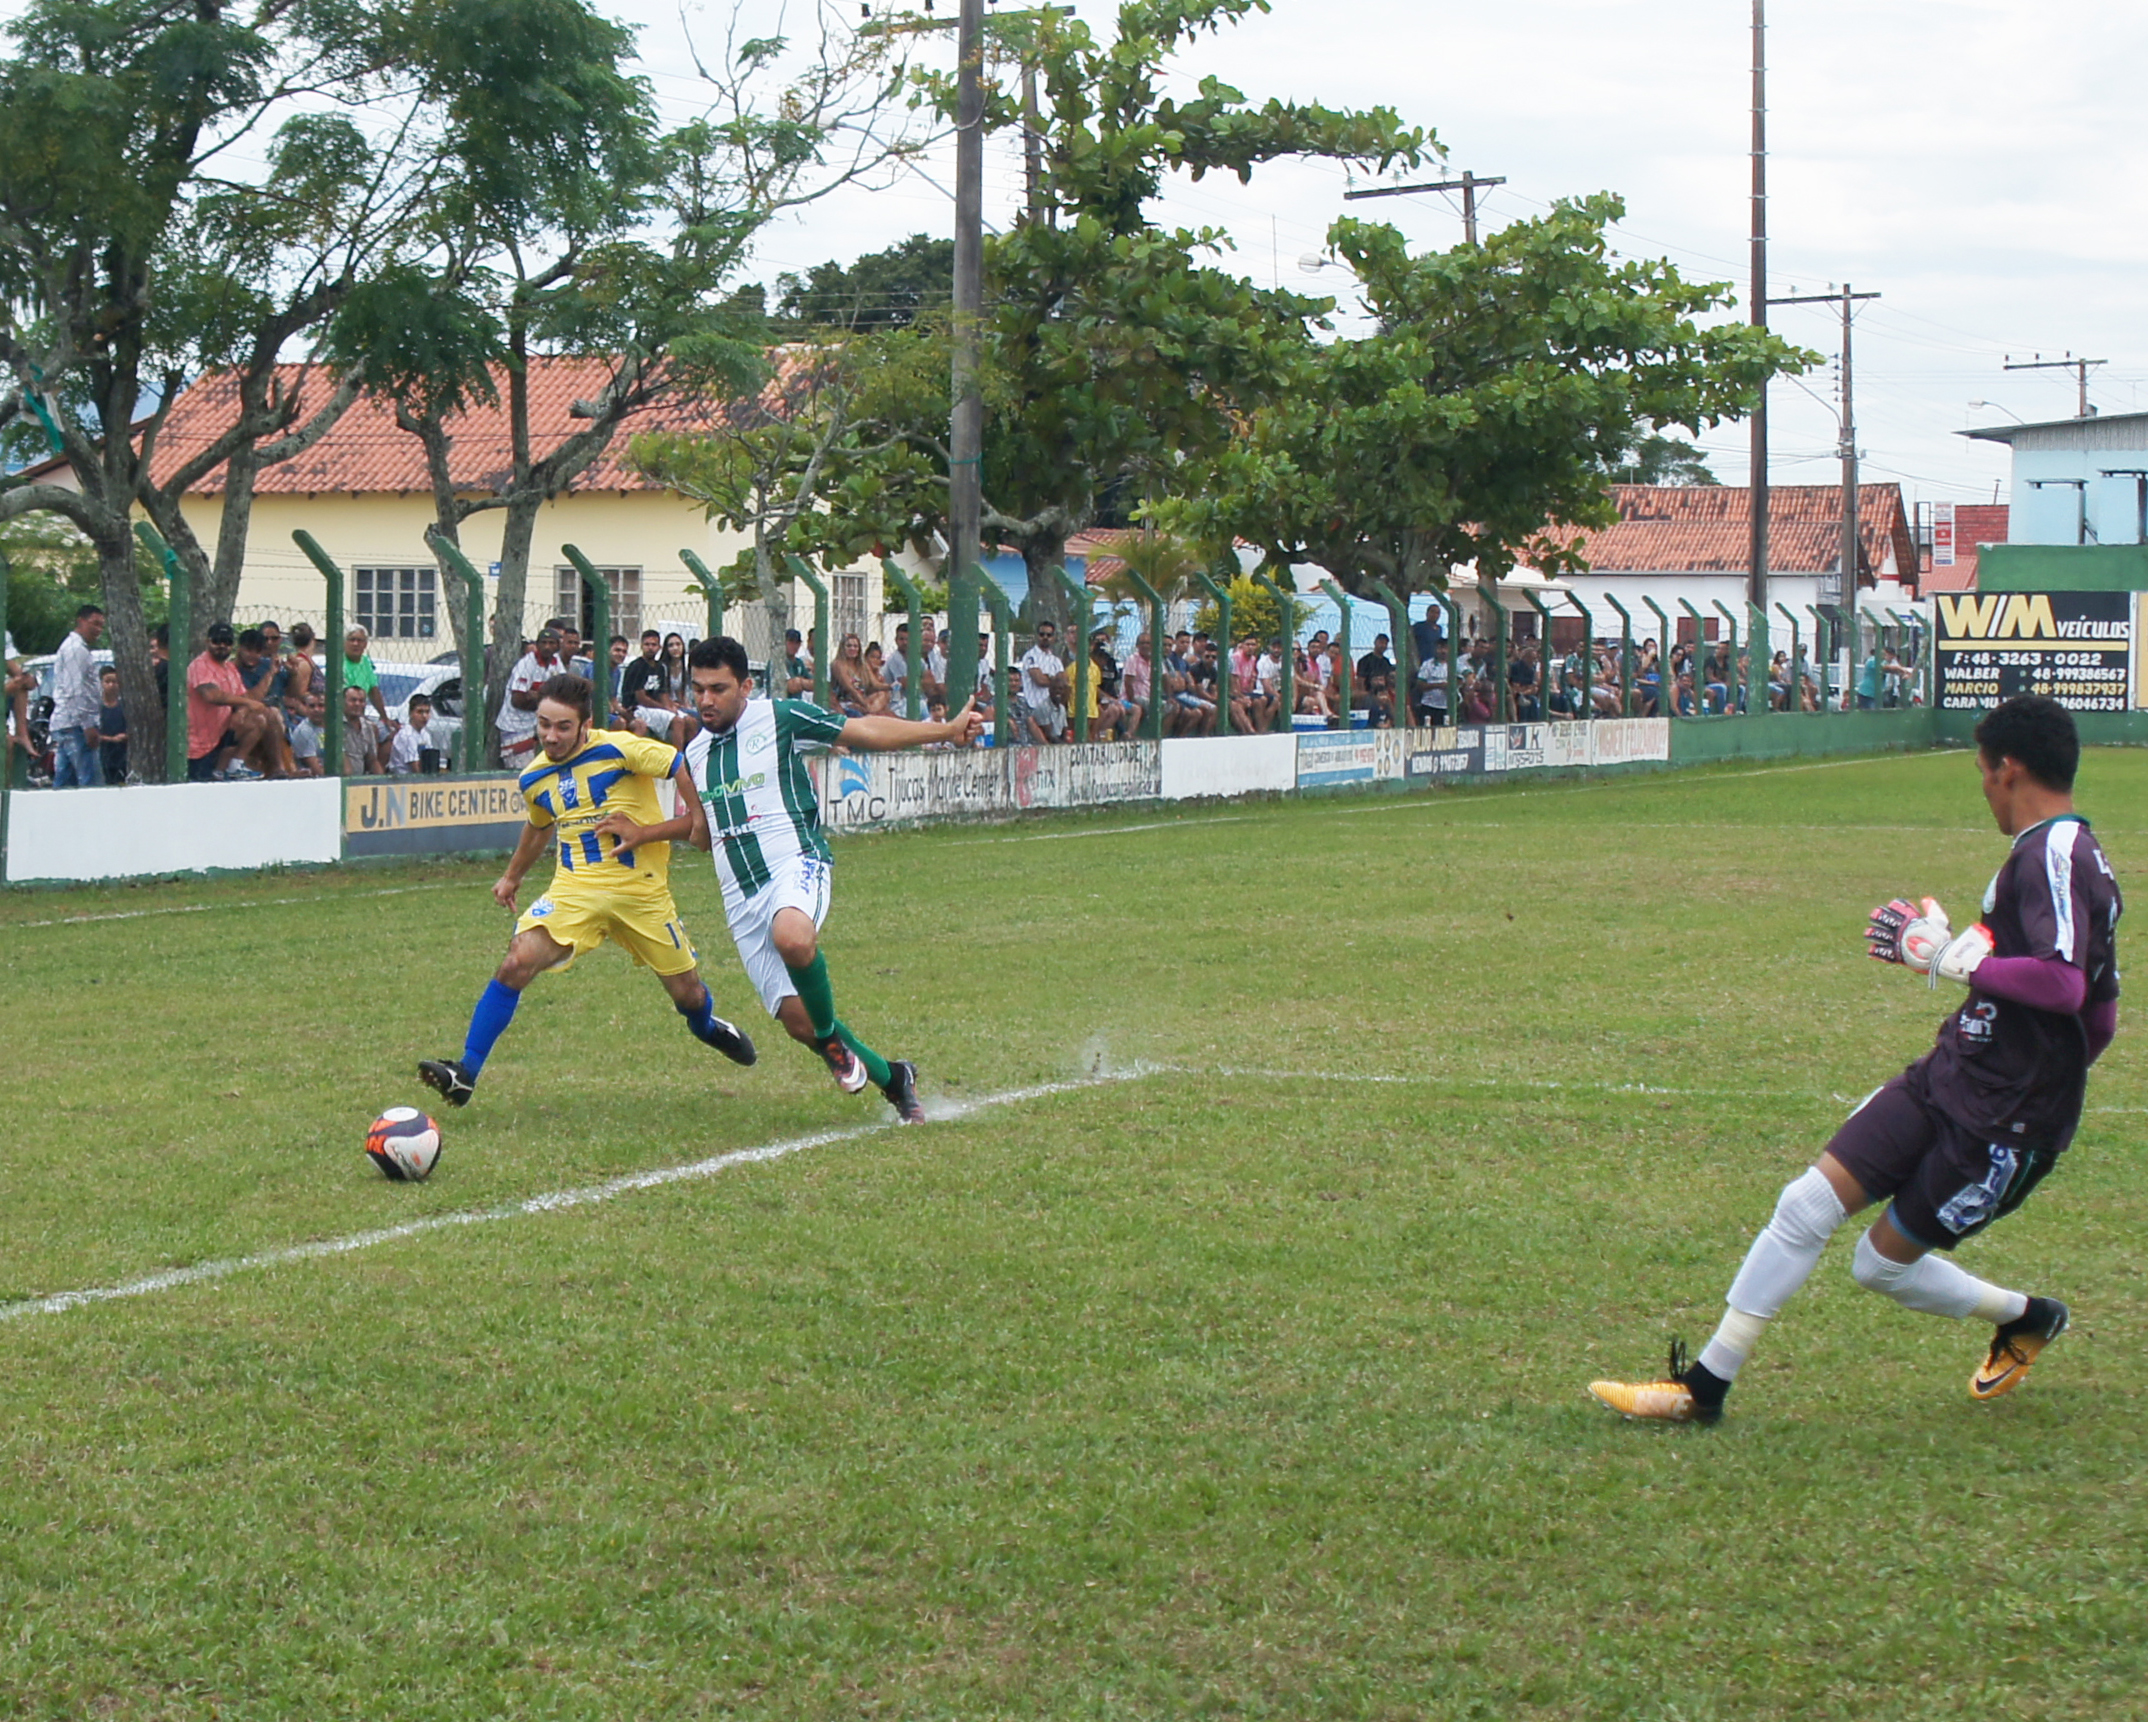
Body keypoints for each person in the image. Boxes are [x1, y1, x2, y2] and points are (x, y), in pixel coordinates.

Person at [1590, 696, 2120, 1424]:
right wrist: (1966, 966)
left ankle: (2029, 1316)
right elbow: (2102, 1012)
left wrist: (1957, 971)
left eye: (1983, 772)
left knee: (1878, 1266)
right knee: (1804, 1203)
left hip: (2004, 1120)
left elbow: (2063, 986)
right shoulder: (2057, 854)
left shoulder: (2055, 855)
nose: (1983, 788)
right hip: (1953, 1073)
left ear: (2010, 768)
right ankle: (1703, 1388)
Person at [682, 636, 985, 1122]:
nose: (705, 701)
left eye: (717, 688)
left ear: (746, 686)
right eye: (697, 689)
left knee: (794, 939)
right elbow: (700, 833)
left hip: (795, 863)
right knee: (800, 1024)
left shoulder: (779, 718)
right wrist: (642, 831)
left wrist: (942, 731)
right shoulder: (694, 753)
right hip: (741, 896)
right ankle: (894, 1078)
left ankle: (832, 1046)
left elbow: (864, 728)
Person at [418, 671, 755, 1109]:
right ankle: (465, 1073)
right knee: (516, 962)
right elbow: (539, 826)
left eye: (562, 727)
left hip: (642, 893)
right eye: (543, 724)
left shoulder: (619, 748)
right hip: (575, 891)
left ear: (585, 724)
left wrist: (691, 817)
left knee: (688, 995)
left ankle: (709, 1027)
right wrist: (512, 877)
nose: (551, 737)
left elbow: (679, 764)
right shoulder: (534, 778)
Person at [187, 621, 281, 780]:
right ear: (207, 641)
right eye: (216, 641)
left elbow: (245, 697)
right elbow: (211, 695)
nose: (222, 645)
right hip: (198, 743)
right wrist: (247, 704)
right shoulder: (200, 665)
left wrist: (243, 709)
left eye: (227, 642)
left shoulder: (229, 668)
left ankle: (238, 766)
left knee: (262, 717)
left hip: (222, 733)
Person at [48, 602, 106, 788]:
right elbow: (75, 690)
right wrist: (87, 725)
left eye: (101, 626)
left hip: (67, 722)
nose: (98, 629)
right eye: (94, 623)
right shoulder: (76, 650)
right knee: (90, 782)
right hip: (76, 725)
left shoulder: (73, 647)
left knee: (65, 781)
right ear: (80, 621)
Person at [497, 626, 562, 770]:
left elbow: (563, 691)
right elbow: (518, 700)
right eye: (543, 643)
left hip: (535, 723)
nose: (547, 647)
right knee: (519, 770)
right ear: (537, 645)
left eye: (551, 643)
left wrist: (536, 696)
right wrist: (547, 698)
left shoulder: (556, 663)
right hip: (514, 725)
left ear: (558, 645)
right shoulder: (527, 663)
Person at [1017, 622, 1067, 744]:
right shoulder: (1030, 656)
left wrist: (1048, 678)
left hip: (1053, 709)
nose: (1045, 637)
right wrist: (1053, 678)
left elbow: (1064, 681)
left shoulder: (1055, 660)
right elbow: (1039, 680)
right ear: (1037, 636)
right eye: (1042, 634)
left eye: (1049, 635)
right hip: (1034, 707)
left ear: (1053, 637)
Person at [341, 626, 392, 727]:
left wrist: (384, 718)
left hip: (361, 715)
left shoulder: (365, 662)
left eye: (360, 640)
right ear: (344, 642)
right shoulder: (339, 663)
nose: (356, 644)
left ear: (365, 644)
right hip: (344, 717)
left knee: (390, 732)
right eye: (352, 640)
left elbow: (374, 691)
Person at [387, 692, 446, 774]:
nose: (424, 716)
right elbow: (415, 768)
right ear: (411, 713)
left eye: (427, 712)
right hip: (402, 779)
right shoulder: (407, 734)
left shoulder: (425, 734)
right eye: (419, 712)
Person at [340, 684, 388, 776]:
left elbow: (372, 760)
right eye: (353, 700)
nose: (357, 704)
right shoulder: (336, 726)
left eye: (361, 701)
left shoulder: (368, 727)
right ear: (343, 702)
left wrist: (382, 781)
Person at [95, 665, 128, 783]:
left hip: (123, 756)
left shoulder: (124, 706)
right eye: (107, 682)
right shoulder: (97, 708)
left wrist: (125, 736)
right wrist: (111, 739)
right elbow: (92, 735)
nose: (111, 685)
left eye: (114, 682)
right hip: (103, 755)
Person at [1357, 632, 1397, 728]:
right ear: (1375, 643)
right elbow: (1360, 681)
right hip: (1369, 691)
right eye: (1381, 642)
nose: (1383, 645)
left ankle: (1393, 722)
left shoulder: (1386, 662)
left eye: (1385, 643)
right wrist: (1365, 693)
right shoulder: (1365, 660)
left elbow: (1389, 681)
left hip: (1383, 691)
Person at [287, 689, 324, 776]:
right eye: (312, 706)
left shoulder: (334, 727)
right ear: (306, 708)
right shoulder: (303, 731)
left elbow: (347, 768)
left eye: (321, 706)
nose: (316, 709)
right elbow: (317, 771)